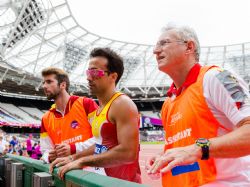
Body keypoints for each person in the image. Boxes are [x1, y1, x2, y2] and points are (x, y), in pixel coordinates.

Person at [146, 23, 250, 187]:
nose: (155, 50)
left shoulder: (215, 78)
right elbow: (185, 145)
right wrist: (164, 154)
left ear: (189, 47)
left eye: (164, 43)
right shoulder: (168, 102)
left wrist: (198, 149)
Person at [49, 47, 141, 183]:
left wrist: (82, 162)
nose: (88, 77)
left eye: (95, 72)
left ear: (113, 76)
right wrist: (72, 158)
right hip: (105, 182)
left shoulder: (122, 104)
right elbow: (100, 145)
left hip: (123, 183)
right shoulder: (100, 109)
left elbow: (128, 153)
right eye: (88, 71)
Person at [40, 67, 98, 163]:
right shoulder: (46, 118)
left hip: (90, 171)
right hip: (62, 173)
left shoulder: (86, 104)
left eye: (49, 82)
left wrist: (73, 148)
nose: (44, 86)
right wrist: (49, 157)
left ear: (63, 85)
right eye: (44, 83)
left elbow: (102, 138)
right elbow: (45, 150)